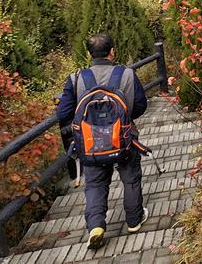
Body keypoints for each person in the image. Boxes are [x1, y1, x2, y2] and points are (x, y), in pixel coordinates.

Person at [56, 32, 149, 250]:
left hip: (89, 143)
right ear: (112, 52)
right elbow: (141, 105)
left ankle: (96, 226)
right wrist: (123, 119)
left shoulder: (76, 79)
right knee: (130, 178)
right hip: (123, 137)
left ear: (89, 54)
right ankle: (134, 221)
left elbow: (63, 114)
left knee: (95, 183)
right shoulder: (127, 74)